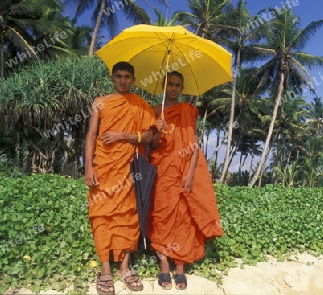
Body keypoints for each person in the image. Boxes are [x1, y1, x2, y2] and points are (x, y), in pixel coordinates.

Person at [85, 61, 162, 295]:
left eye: (127, 76)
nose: (122, 80)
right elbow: (90, 136)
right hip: (104, 167)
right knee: (101, 215)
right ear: (112, 78)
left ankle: (125, 267)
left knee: (129, 215)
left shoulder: (140, 105)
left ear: (134, 79)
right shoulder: (100, 103)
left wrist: (123, 135)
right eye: (118, 76)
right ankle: (106, 269)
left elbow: (149, 136)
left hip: (130, 168)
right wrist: (88, 166)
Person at [148, 71, 224, 290]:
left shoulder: (188, 112)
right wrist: (157, 130)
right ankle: (164, 263)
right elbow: (151, 146)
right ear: (164, 86)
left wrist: (190, 174)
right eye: (170, 84)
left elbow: (194, 145)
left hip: (183, 172)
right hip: (162, 172)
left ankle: (179, 265)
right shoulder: (155, 112)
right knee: (161, 216)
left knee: (184, 217)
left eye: (177, 85)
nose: (173, 88)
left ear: (182, 88)